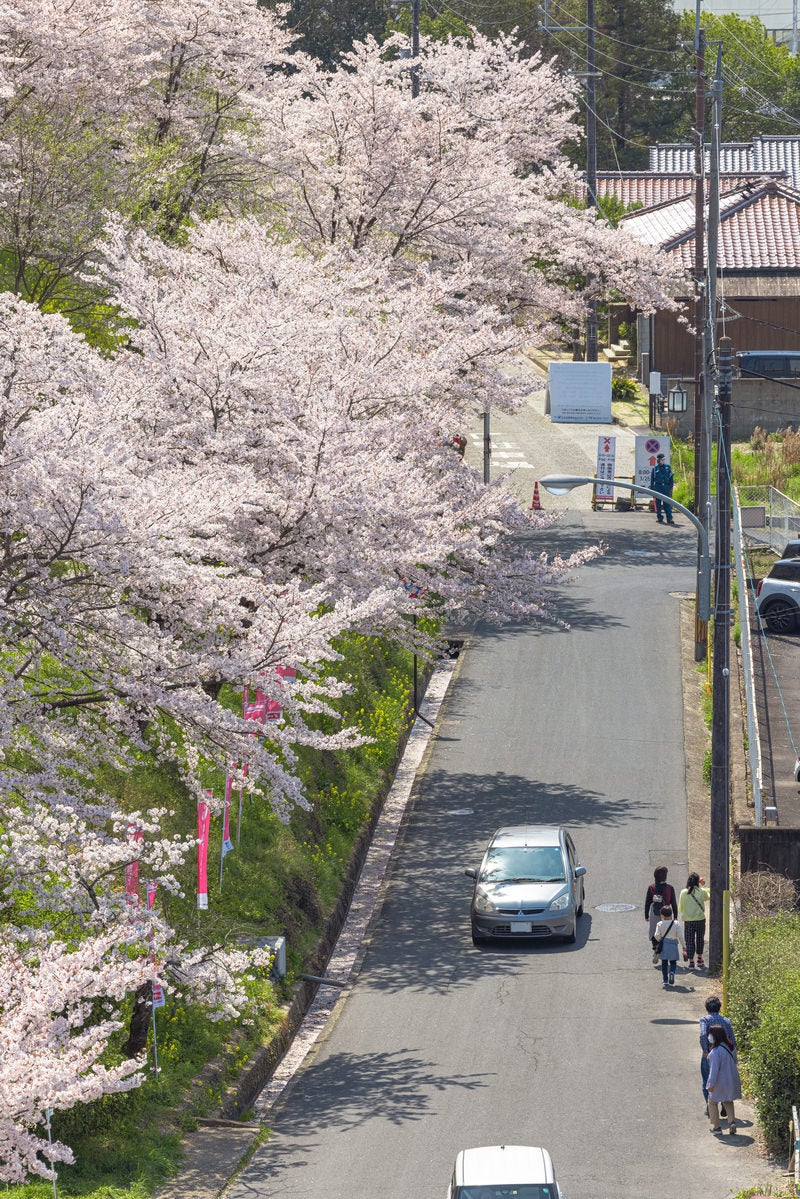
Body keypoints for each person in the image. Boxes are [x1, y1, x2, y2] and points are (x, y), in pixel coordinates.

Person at [700, 997, 737, 1116]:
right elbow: (732, 1039)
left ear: (706, 1008)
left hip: (711, 1053)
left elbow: (703, 1035)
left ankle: (710, 1106)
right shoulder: (726, 1020)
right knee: (723, 1079)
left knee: (707, 1080)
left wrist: (706, 1051)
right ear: (719, 1007)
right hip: (725, 1054)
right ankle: (724, 1104)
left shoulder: (705, 1020)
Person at [707, 1026, 742, 1135]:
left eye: (710, 1035)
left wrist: (711, 1084)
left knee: (712, 1102)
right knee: (728, 1100)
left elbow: (714, 1071)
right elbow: (735, 1061)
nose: (709, 1037)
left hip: (719, 1081)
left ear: (714, 1036)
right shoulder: (730, 1047)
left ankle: (716, 1127)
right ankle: (731, 1122)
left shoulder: (715, 1052)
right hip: (731, 1079)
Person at [679, 872, 710, 969]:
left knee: (689, 940)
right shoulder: (701, 891)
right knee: (700, 939)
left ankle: (691, 962)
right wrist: (703, 885)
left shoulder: (684, 892)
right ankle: (699, 958)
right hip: (700, 919)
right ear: (698, 882)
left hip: (688, 920)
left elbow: (680, 909)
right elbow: (708, 896)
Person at [653, 904, 686, 987]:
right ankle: (672, 971)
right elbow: (681, 936)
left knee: (664, 963)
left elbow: (656, 935)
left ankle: (665, 980)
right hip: (673, 945)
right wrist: (684, 946)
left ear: (662, 915)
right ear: (671, 914)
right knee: (673, 962)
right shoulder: (676, 923)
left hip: (664, 945)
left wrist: (660, 939)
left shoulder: (660, 924)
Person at [645, 866, 678, 946]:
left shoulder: (651, 887)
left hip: (654, 912)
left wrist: (646, 915)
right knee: (667, 931)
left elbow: (647, 902)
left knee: (654, 931)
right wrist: (675, 916)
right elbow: (673, 902)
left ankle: (656, 948)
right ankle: (665, 949)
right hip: (667, 912)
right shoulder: (670, 888)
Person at [650, 453, 675, 524]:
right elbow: (652, 480)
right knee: (658, 504)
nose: (663, 461)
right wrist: (652, 490)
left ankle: (669, 518)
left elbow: (671, 478)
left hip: (666, 487)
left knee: (667, 504)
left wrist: (671, 487)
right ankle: (659, 517)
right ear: (658, 460)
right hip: (658, 487)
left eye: (663, 459)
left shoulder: (668, 467)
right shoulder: (655, 469)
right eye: (662, 459)